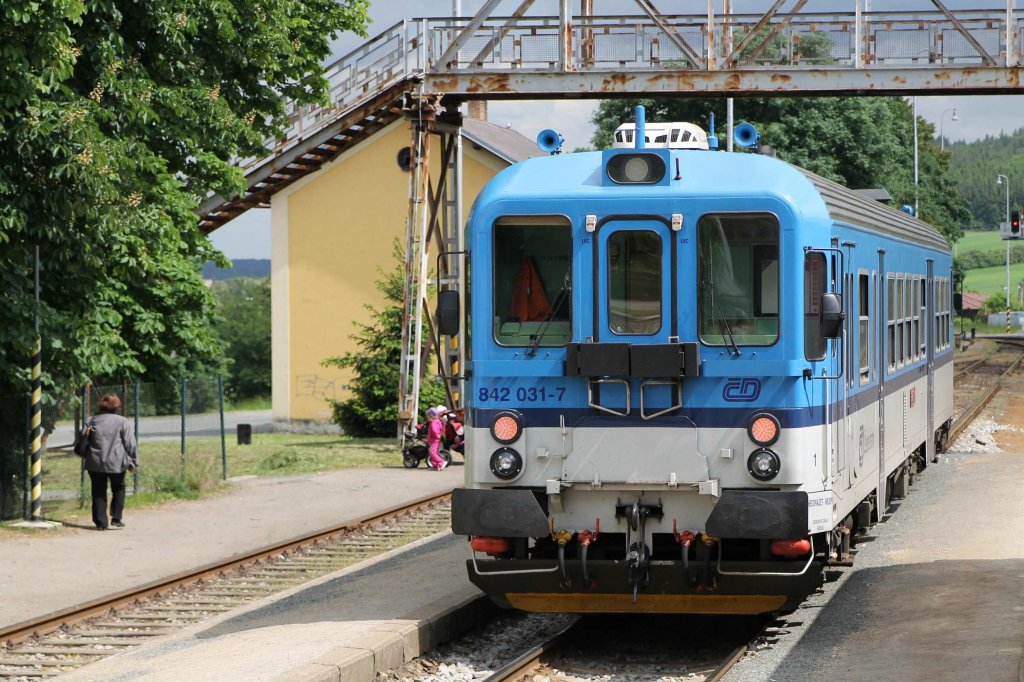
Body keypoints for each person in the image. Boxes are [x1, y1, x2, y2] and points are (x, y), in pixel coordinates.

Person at [84, 393, 139, 530]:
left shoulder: (91, 420)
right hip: (117, 462)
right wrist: (133, 461)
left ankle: (101, 523)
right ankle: (116, 517)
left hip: (95, 462)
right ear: (116, 406)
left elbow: (82, 439)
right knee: (119, 488)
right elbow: (130, 443)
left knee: (98, 491)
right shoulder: (122, 421)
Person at [425, 406, 447, 471]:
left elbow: (434, 430)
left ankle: (441, 462)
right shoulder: (438, 421)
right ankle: (436, 466)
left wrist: (436, 435)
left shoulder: (434, 422)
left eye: (428, 417)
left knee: (432, 452)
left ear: (431, 416)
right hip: (434, 440)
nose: (427, 419)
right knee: (432, 453)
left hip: (434, 440)